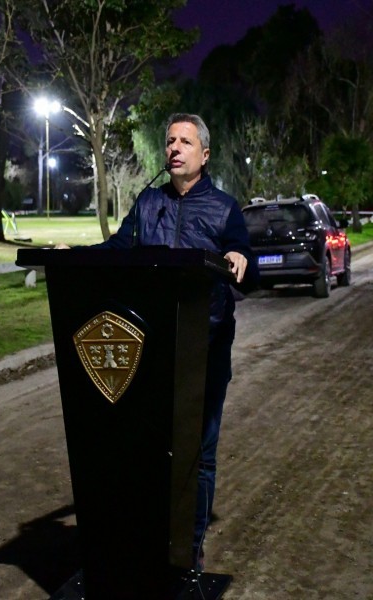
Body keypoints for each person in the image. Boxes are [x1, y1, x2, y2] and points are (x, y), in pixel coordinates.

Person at [68, 113, 258, 571]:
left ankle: (189, 549)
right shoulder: (149, 202)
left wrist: (237, 255)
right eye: (169, 140)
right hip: (151, 352)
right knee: (149, 450)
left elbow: (245, 262)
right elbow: (118, 250)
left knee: (199, 453)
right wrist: (71, 257)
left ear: (204, 154)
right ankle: (147, 543)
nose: (174, 148)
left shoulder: (225, 208)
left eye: (185, 142)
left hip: (205, 350)